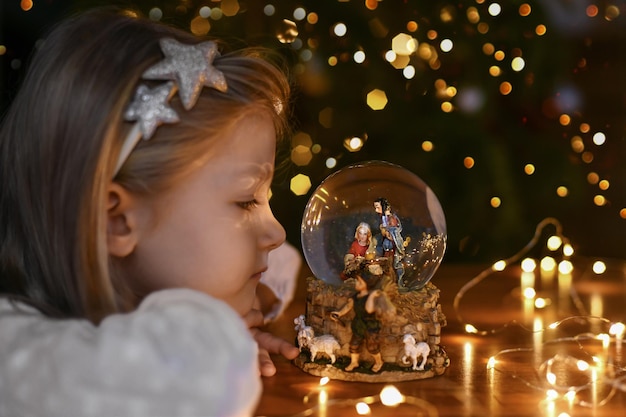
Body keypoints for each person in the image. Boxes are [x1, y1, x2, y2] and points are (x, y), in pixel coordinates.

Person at [0, 7, 300, 417]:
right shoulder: (23, 358)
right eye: (246, 200)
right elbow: (194, 382)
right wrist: (217, 335)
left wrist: (245, 300)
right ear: (116, 221)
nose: (277, 232)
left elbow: (283, 265)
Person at [330, 265, 393, 373]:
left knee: (372, 346)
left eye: (359, 282)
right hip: (358, 324)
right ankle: (354, 362)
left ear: (367, 285)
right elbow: (349, 306)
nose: (356, 284)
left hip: (370, 325)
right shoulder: (356, 296)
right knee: (354, 344)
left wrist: (372, 295)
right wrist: (339, 313)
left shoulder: (373, 297)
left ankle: (378, 361)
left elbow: (369, 310)